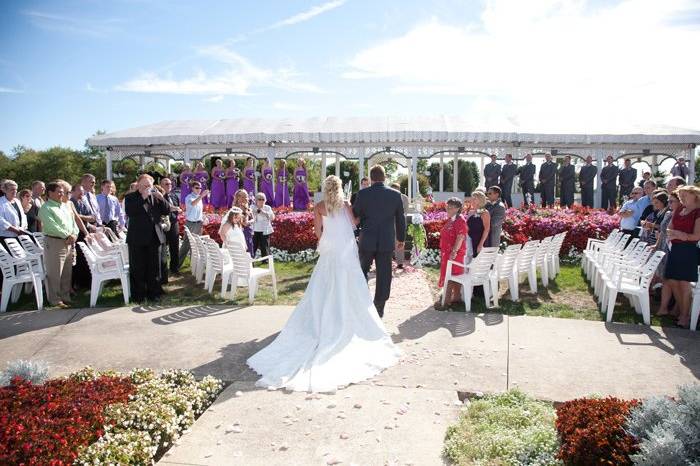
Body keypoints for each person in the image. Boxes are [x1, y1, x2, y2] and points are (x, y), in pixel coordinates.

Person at [247, 175, 400, 392]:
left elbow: (318, 232)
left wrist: (325, 240)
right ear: (338, 188)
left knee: (323, 287)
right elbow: (354, 223)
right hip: (345, 252)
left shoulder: (319, 206)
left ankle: (323, 320)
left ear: (324, 188)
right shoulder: (346, 204)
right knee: (351, 287)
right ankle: (345, 318)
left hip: (330, 251)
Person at [352, 165, 406, 318]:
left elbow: (356, 214)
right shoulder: (396, 195)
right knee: (384, 275)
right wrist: (401, 238)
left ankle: (361, 302)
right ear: (384, 178)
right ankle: (379, 307)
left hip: (367, 239)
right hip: (386, 240)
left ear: (371, 178)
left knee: (361, 271)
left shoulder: (363, 194)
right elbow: (400, 220)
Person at [125, 174, 169, 303]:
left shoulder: (155, 197)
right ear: (138, 185)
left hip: (154, 237)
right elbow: (130, 212)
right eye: (144, 185)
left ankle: (154, 293)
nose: (147, 188)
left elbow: (166, 211)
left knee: (154, 268)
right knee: (138, 268)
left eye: (149, 185)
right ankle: (138, 295)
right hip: (137, 238)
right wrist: (143, 197)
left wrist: (162, 198)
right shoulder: (130, 197)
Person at [37, 181, 79, 308]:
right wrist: (67, 235)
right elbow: (52, 226)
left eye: (63, 192)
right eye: (59, 192)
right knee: (55, 273)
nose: (62, 194)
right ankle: (55, 300)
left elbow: (73, 223)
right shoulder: (46, 208)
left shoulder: (65, 206)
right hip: (55, 242)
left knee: (67, 272)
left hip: (69, 243)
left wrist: (74, 235)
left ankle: (65, 296)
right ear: (50, 193)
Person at [664, 185, 700, 328]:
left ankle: (685, 316)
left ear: (695, 196)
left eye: (685, 195)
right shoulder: (679, 209)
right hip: (676, 249)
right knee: (672, 280)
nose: (682, 198)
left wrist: (682, 235)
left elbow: (697, 236)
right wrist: (671, 232)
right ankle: (683, 310)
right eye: (680, 195)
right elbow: (670, 226)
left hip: (689, 250)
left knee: (684, 283)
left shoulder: (698, 212)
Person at [436, 197, 468, 309]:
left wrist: (454, 251)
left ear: (458, 208)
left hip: (455, 253)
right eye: (447, 207)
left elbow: (460, 236)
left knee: (450, 276)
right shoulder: (452, 219)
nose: (447, 209)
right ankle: (456, 298)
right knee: (453, 275)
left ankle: (445, 302)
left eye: (450, 207)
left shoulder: (460, 220)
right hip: (448, 252)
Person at [655, 192, 678, 318]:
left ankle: (676, 308)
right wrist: (658, 244)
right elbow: (663, 232)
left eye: (671, 201)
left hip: (675, 249)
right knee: (666, 279)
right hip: (665, 246)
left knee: (674, 280)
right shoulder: (669, 214)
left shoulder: (681, 215)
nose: (668, 204)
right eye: (668, 201)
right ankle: (664, 307)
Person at [178, 181, 209, 267]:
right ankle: (176, 265)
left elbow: (198, 211)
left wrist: (204, 217)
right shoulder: (189, 197)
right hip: (191, 224)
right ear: (192, 188)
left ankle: (194, 265)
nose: (199, 189)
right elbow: (193, 204)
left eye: (200, 188)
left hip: (199, 224)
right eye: (197, 188)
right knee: (186, 245)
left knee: (196, 245)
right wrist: (202, 196)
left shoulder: (199, 198)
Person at [160, 177, 182, 283]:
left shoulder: (174, 195)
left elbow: (177, 208)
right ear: (161, 185)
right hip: (163, 225)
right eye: (166, 184)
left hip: (173, 224)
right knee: (163, 248)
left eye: (170, 184)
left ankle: (175, 269)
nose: (169, 186)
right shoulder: (159, 196)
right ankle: (163, 271)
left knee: (174, 247)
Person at [0, 180, 29, 249]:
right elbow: (1, 221)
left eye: (16, 189)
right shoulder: (1, 202)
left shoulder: (17, 201)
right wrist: (15, 230)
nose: (15, 191)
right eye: (12, 189)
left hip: (20, 236)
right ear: (5, 190)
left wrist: (23, 229)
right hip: (6, 237)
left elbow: (23, 216)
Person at [465, 191, 491, 256]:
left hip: (479, 241)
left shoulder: (484, 212)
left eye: (474, 199)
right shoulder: (471, 212)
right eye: (472, 198)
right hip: (469, 242)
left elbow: (487, 229)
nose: (472, 200)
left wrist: (481, 244)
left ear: (480, 200)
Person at [390, 183, 409, 268]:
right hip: (389, 222)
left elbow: (405, 210)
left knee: (400, 241)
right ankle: (388, 261)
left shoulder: (404, 198)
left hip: (400, 222)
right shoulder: (388, 197)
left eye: (396, 189)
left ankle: (400, 262)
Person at [251, 192, 275, 260]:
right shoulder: (252, 207)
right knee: (253, 246)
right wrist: (255, 211)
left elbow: (272, 217)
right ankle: (250, 259)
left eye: (263, 199)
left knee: (265, 246)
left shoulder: (267, 208)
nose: (261, 201)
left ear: (265, 200)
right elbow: (250, 216)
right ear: (256, 200)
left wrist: (263, 212)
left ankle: (265, 260)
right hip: (255, 229)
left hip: (265, 229)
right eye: (259, 199)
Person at [233, 189, 255, 256]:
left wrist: (249, 221)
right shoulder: (235, 209)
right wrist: (246, 213)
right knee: (243, 254)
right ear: (237, 198)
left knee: (250, 252)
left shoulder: (248, 208)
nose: (244, 198)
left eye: (246, 196)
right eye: (242, 196)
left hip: (248, 233)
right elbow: (244, 223)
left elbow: (253, 219)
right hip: (240, 234)